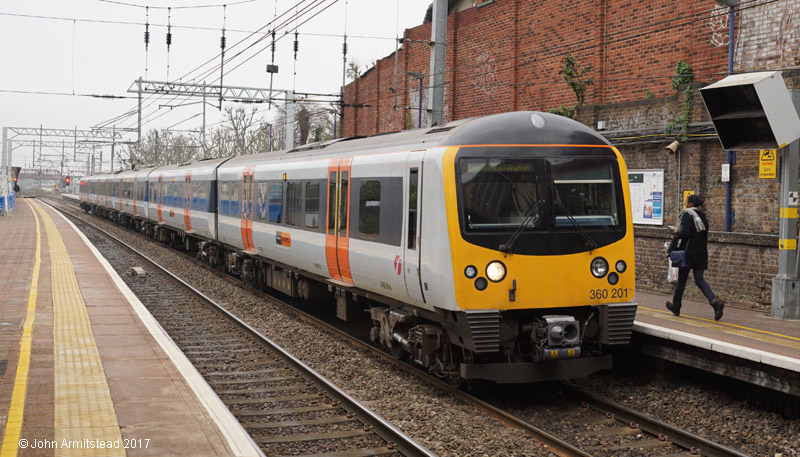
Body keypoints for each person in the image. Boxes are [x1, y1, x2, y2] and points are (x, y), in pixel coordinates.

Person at [666, 194, 724, 320]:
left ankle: (676, 306)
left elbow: (685, 233)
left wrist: (676, 232)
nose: (686, 205)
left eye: (687, 203)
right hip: (701, 252)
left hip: (688, 253)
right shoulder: (703, 216)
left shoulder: (688, 214)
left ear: (691, 204)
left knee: (681, 280)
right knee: (699, 280)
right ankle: (715, 302)